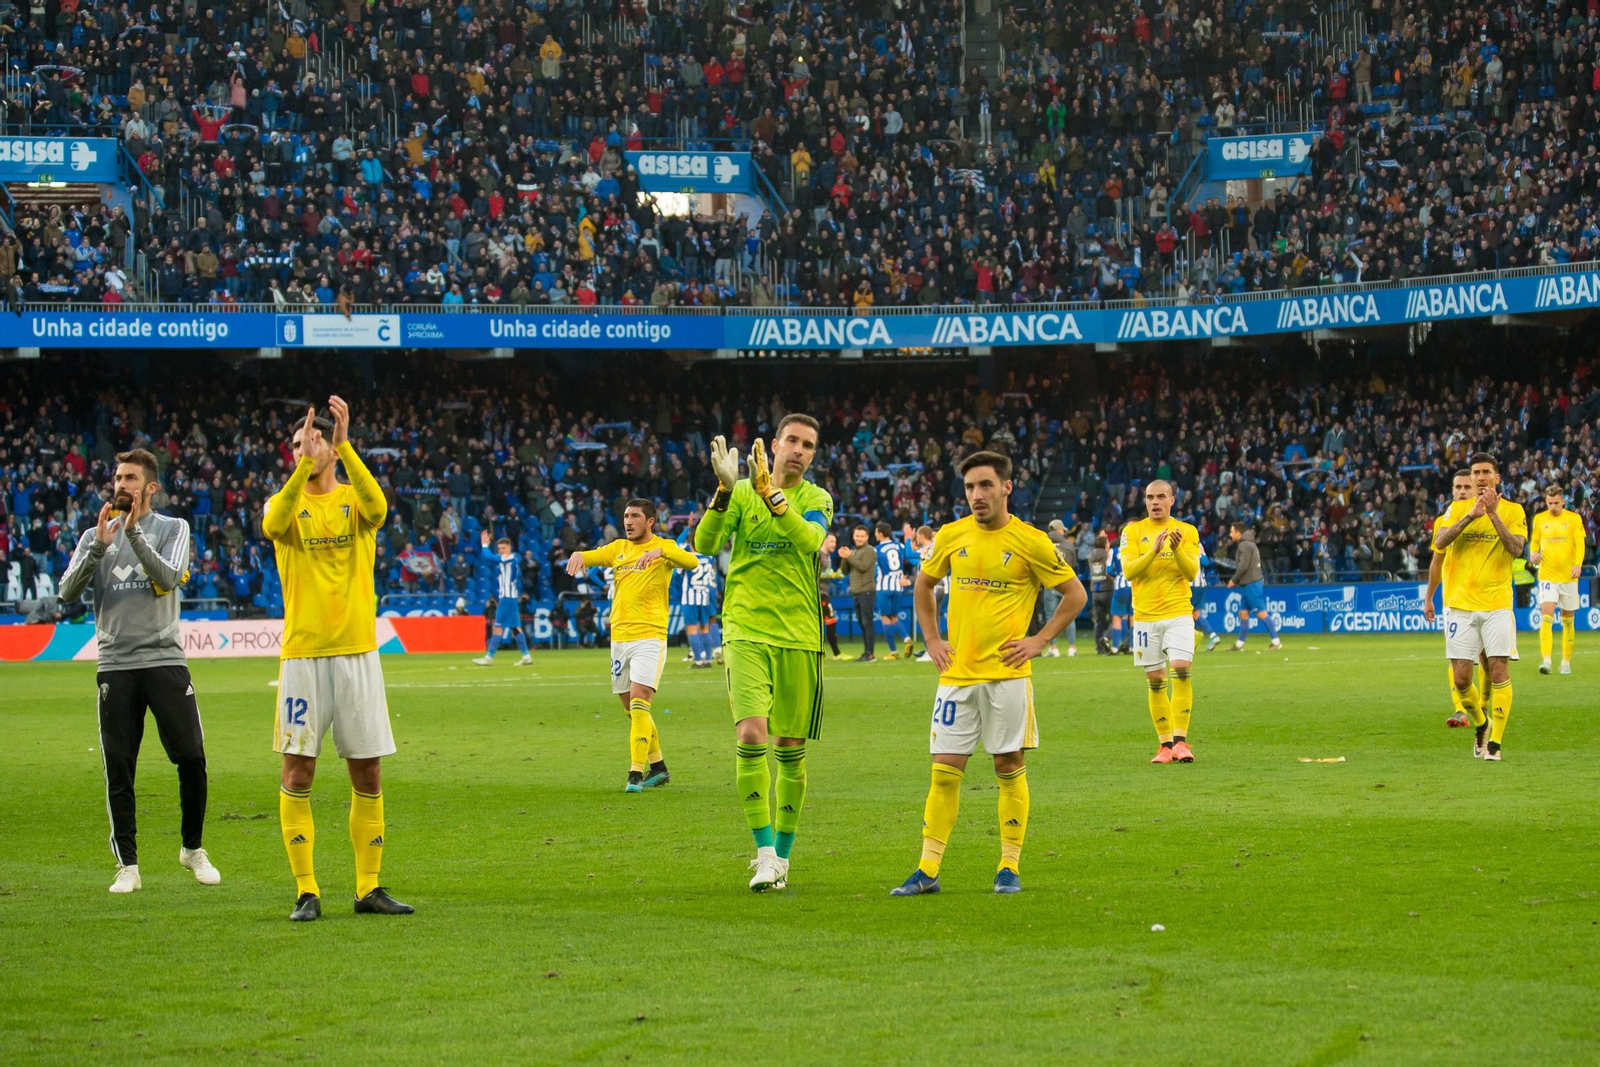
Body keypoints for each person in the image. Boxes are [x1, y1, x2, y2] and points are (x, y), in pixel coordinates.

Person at [891, 451, 1086, 897]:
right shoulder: (950, 536)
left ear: (1006, 488)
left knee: (1008, 764)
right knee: (944, 771)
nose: (976, 496)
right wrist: (933, 640)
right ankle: (927, 870)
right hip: (956, 675)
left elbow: (1074, 595)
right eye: (970, 488)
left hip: (1008, 676)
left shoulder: (1032, 541)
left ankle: (1009, 867)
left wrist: (1039, 640)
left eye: (984, 486)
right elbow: (924, 585)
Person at [265, 401, 411, 922]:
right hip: (304, 656)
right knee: (298, 770)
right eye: (304, 439)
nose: (312, 444)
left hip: (358, 654)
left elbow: (381, 510)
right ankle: (307, 890)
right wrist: (306, 463)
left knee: (367, 772)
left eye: (319, 439)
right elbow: (273, 524)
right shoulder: (281, 505)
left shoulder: (354, 501)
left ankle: (367, 888)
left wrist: (346, 445)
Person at [59, 448, 219, 894]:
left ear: (150, 487)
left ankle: (192, 849)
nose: (121, 485)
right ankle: (127, 864)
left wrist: (133, 537)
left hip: (166, 660)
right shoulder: (96, 534)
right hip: (116, 666)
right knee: (120, 767)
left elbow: (169, 578)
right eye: (117, 477)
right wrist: (97, 546)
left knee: (191, 757)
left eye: (130, 478)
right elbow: (66, 592)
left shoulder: (173, 528)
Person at [694, 416, 834, 892]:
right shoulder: (742, 494)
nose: (798, 450)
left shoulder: (816, 499)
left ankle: (784, 858)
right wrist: (724, 493)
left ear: (813, 455)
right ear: (774, 445)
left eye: (808, 445)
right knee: (752, 735)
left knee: (789, 749)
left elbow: (810, 540)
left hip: (799, 636)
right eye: (791, 441)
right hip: (746, 628)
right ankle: (764, 853)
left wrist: (772, 497)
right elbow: (705, 543)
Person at [566, 499, 699, 791]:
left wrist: (662, 551)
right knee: (633, 711)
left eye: (635, 516)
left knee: (640, 704)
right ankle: (659, 767)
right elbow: (591, 556)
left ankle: (635, 775)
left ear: (649, 521)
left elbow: (692, 562)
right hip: (620, 640)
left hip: (649, 637)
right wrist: (578, 554)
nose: (628, 521)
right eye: (626, 515)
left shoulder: (663, 548)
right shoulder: (618, 549)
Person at [1432, 452, 1527, 761]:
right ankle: (1481, 723)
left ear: (1497, 478)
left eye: (1487, 471)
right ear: (1470, 478)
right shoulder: (1456, 509)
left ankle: (1496, 744)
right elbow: (1441, 542)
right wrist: (1472, 515)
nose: (1481, 476)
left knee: (1498, 668)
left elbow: (1515, 548)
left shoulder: (1513, 510)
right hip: (1460, 605)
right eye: (1476, 472)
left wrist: (1493, 513)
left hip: (1497, 603)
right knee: (1461, 679)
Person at [1122, 481, 1201, 764]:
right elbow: (1129, 571)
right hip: (1144, 618)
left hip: (1178, 613)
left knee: (1181, 671)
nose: (1155, 502)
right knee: (1155, 682)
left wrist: (1177, 549)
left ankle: (1181, 742)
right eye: (1149, 497)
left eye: (1160, 497)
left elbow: (1192, 573)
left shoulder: (1187, 531)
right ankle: (1165, 746)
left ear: (1172, 500)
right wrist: (1153, 551)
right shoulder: (1132, 531)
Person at [1425, 470, 1488, 728]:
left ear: (1475, 490)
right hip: (1454, 601)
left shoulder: (1487, 517)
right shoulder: (1443, 522)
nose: (1461, 491)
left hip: (1486, 600)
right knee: (1457, 659)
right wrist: (1429, 596)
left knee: (1486, 659)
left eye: (1466, 487)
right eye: (1457, 487)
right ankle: (1461, 709)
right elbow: (1437, 561)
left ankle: (1483, 704)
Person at [1530, 483, 1584, 676]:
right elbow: (1534, 542)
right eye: (1550, 503)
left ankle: (1566, 662)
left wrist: (1578, 564)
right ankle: (1546, 661)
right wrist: (1533, 554)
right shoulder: (1539, 519)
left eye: (1556, 503)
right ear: (1546, 501)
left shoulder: (1574, 519)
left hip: (1568, 577)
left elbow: (1580, 544)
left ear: (1563, 501)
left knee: (1568, 622)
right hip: (1547, 576)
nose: (1552, 506)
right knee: (1547, 616)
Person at [473, 530, 532, 666]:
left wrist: (484, 544)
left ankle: (489, 657)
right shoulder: (507, 559)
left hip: (507, 598)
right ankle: (526, 656)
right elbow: (486, 558)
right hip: (510, 598)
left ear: (510, 548)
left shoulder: (509, 558)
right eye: (499, 548)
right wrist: (485, 548)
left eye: (503, 548)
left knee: (497, 627)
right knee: (515, 628)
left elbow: (488, 556)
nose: (501, 551)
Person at [1228, 522, 1280, 651]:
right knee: (1243, 613)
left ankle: (1276, 641)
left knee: (1261, 612)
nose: (1230, 534)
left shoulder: (1244, 545)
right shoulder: (1248, 543)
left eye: (1232, 531)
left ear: (1238, 532)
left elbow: (1243, 566)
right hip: (1249, 583)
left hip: (1251, 583)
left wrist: (1233, 580)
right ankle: (1240, 644)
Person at [678, 525, 722, 669]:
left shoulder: (688, 557)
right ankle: (708, 658)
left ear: (691, 546)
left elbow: (678, 570)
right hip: (704, 596)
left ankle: (698, 660)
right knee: (705, 628)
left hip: (690, 598)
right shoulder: (709, 558)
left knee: (691, 628)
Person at [839, 524, 877, 660]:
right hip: (857, 592)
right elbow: (844, 571)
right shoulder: (854, 551)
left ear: (867, 537)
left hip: (866, 591)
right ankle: (867, 652)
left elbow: (863, 567)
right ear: (853, 537)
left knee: (867, 622)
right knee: (862, 623)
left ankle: (870, 653)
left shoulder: (870, 551)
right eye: (857, 536)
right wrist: (844, 556)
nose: (859, 539)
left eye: (862, 536)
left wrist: (849, 556)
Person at [874, 522, 911, 659]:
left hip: (884, 586)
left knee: (885, 618)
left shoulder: (876, 549)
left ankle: (894, 652)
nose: (875, 534)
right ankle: (907, 638)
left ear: (881, 533)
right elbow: (908, 557)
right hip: (898, 587)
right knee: (895, 617)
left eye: (876, 532)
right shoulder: (899, 546)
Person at [911, 524, 943, 661]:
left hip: (932, 587)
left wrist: (907, 540)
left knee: (927, 619)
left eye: (917, 535)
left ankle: (930, 652)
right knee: (935, 619)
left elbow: (910, 557)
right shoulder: (934, 546)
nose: (917, 538)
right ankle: (935, 650)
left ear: (922, 535)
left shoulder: (927, 548)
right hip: (940, 587)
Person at [1192, 539, 1221, 652]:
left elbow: (1205, 562)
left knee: (1186, 614)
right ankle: (1212, 635)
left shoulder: (1185, 544)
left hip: (1191, 585)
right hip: (1201, 585)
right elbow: (1206, 562)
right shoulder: (1198, 545)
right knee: (1196, 614)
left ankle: (1190, 640)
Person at [1088, 532, 1113, 653]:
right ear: (1105, 544)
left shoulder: (1090, 555)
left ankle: (1099, 647)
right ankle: (1106, 639)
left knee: (1099, 621)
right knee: (1115, 619)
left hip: (1095, 590)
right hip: (1107, 589)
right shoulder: (1108, 554)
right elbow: (1110, 570)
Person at [1108, 533, 1133, 654]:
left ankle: (1115, 647)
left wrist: (1116, 578)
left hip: (1120, 585)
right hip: (1134, 584)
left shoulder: (1113, 550)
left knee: (1117, 615)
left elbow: (1108, 569)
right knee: (1133, 617)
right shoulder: (1134, 548)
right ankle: (1132, 646)